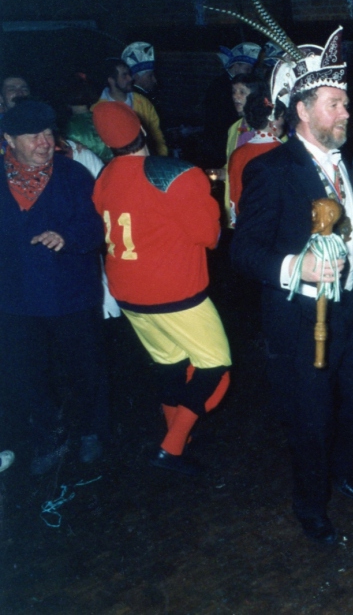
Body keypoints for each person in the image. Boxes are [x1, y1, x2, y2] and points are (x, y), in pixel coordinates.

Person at [232, 27, 353, 545]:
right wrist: (296, 268)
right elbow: (243, 250)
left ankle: (338, 466)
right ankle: (310, 505)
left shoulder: (344, 156)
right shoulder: (271, 170)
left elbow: (341, 225)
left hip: (351, 305)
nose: (347, 112)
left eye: (345, 103)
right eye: (335, 104)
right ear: (302, 110)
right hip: (301, 320)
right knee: (311, 422)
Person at [92, 100, 231, 476]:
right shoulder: (175, 174)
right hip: (176, 294)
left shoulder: (104, 176)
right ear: (142, 129)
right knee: (216, 368)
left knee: (171, 366)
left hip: (127, 293)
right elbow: (210, 236)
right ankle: (170, 449)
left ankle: (180, 440)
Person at [0, 101, 110, 472]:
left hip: (70, 294)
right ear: (9, 139)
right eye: (34, 136)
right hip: (15, 299)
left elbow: (97, 227)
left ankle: (91, 431)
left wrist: (67, 236)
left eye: (48, 133)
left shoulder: (73, 174)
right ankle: (49, 438)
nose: (45, 142)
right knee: (27, 375)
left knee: (85, 369)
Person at [227, 78, 284, 228]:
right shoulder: (282, 151)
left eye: (242, 92)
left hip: (246, 224)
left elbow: (235, 197)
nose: (283, 121)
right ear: (273, 120)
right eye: (281, 117)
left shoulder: (238, 154)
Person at [201, 42, 260, 168]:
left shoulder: (241, 83)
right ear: (236, 65)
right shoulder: (219, 85)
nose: (249, 73)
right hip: (220, 142)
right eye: (247, 69)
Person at [96, 58, 168, 156]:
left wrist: (160, 158)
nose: (130, 78)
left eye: (129, 74)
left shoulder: (143, 103)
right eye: (124, 75)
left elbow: (157, 136)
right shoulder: (98, 109)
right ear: (111, 80)